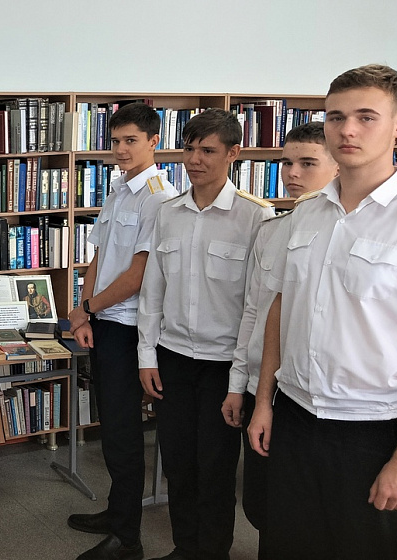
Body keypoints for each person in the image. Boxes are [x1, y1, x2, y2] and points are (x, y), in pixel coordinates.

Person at [248, 64, 397, 559]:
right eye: (336, 117)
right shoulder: (307, 214)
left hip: (374, 430)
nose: (348, 130)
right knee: (286, 544)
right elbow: (281, 308)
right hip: (295, 417)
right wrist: (264, 400)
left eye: (366, 117)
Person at [137, 109, 275, 560]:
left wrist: (239, 381)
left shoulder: (256, 217)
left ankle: (212, 552)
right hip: (173, 357)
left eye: (208, 150)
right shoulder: (168, 212)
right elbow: (153, 290)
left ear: (233, 153)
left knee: (215, 469)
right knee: (178, 463)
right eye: (189, 149)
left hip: (223, 366)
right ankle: (185, 548)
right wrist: (146, 355)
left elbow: (256, 307)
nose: (195, 160)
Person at [220, 122, 338, 558]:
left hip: (309, 396)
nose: (293, 173)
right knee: (261, 505)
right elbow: (253, 313)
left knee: (304, 517)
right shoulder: (272, 230)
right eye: (287, 162)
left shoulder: (341, 232)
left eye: (308, 163)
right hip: (261, 387)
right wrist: (239, 385)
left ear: (337, 166)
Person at [66, 102, 174, 560]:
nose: (121, 149)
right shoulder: (118, 190)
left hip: (129, 328)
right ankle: (116, 512)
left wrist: (90, 307)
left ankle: (128, 539)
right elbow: (98, 257)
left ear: (154, 141)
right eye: (115, 141)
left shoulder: (158, 197)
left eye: (131, 140)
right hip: (103, 322)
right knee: (112, 427)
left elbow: (137, 275)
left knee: (124, 433)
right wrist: (82, 312)